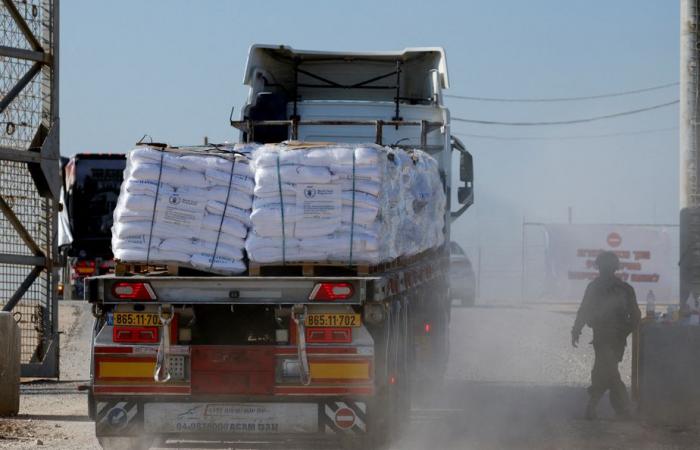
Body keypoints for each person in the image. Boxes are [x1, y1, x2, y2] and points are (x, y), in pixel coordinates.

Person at [571, 251, 641, 420]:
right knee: (607, 371)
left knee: (604, 372)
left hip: (607, 338)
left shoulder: (598, 287)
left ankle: (603, 408)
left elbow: (584, 310)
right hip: (609, 338)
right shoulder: (624, 289)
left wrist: (577, 329)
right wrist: (624, 332)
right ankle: (621, 409)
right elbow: (636, 317)